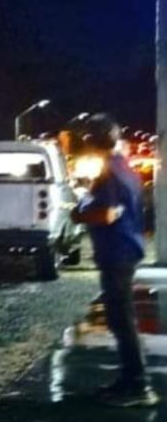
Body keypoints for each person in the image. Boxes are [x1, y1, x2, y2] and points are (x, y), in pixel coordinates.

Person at [71, 113, 159, 407]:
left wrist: (79, 214)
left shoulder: (111, 173)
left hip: (117, 253)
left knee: (122, 321)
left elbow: (107, 213)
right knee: (120, 319)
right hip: (123, 250)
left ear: (93, 141)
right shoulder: (122, 168)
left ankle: (138, 385)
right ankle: (129, 379)